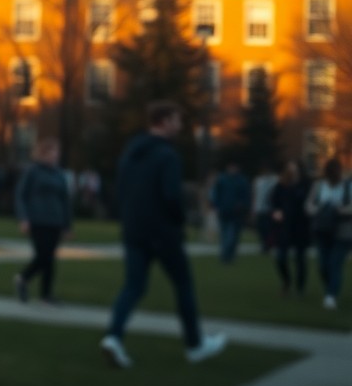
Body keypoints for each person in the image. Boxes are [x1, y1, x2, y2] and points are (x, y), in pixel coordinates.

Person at [100, 101, 227, 369]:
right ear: (165, 121)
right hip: (162, 230)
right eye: (177, 121)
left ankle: (114, 337)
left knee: (133, 286)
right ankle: (195, 345)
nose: (180, 126)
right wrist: (181, 219)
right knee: (183, 284)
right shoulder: (168, 155)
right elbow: (171, 195)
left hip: (134, 228)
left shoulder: (131, 151)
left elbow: (120, 189)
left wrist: (128, 217)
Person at [14, 139, 73, 305]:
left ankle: (46, 294)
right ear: (43, 153)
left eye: (57, 152)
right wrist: (23, 218)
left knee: (49, 258)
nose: (55, 155)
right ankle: (23, 278)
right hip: (38, 220)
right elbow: (21, 195)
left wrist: (67, 225)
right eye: (52, 151)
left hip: (56, 221)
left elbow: (65, 200)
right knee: (43, 256)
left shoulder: (59, 174)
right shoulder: (33, 172)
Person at [304, 156, 352, 310]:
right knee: (323, 265)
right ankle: (330, 289)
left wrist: (340, 210)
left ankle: (331, 295)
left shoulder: (347, 186)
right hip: (323, 229)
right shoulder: (318, 186)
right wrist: (317, 210)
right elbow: (309, 204)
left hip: (342, 231)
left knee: (335, 263)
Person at [269, 160, 312, 297]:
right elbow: (274, 202)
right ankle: (286, 281)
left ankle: (300, 287)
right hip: (285, 226)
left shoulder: (305, 185)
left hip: (301, 226)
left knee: (300, 259)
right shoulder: (281, 186)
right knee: (281, 257)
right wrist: (276, 213)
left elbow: (309, 202)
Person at [210, 162, 250, 264]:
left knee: (233, 235)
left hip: (236, 213)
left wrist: (243, 205)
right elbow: (216, 193)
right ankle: (226, 255)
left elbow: (246, 196)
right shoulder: (222, 180)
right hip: (224, 211)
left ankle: (228, 255)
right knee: (226, 235)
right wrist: (216, 205)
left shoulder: (241, 181)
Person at [251, 162, 279, 254]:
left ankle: (268, 245)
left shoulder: (275, 180)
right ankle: (264, 244)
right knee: (262, 228)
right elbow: (255, 195)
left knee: (269, 228)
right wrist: (254, 208)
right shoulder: (258, 181)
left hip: (270, 209)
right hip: (260, 209)